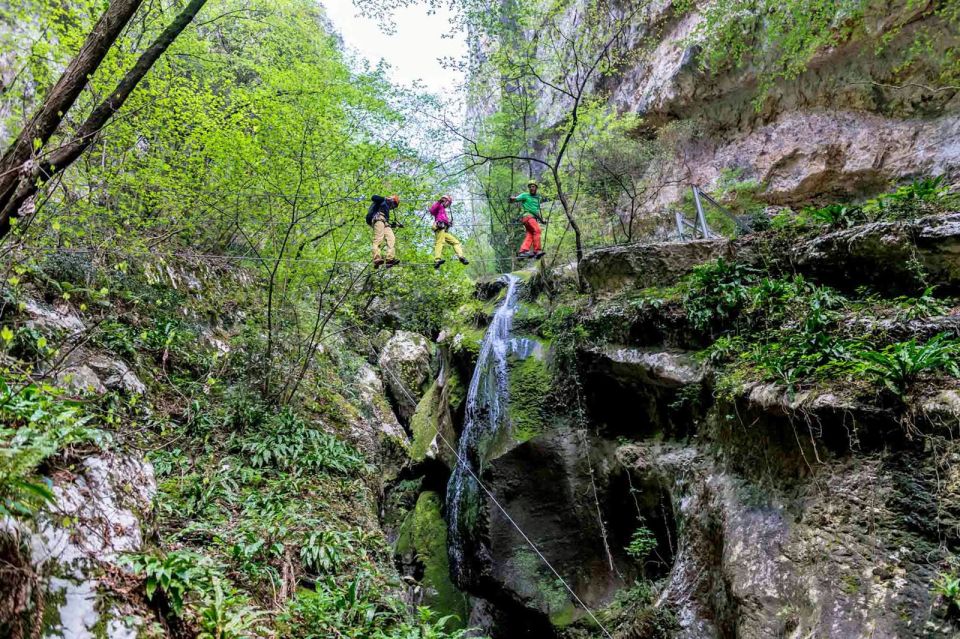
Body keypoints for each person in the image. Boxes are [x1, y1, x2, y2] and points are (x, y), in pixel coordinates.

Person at [508, 180, 548, 259]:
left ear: (536, 188)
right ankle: (537, 250)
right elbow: (515, 199)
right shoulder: (524, 195)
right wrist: (511, 199)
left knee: (530, 234)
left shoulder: (537, 198)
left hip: (532, 218)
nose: (531, 188)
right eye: (530, 187)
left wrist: (542, 220)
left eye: (533, 186)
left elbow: (536, 211)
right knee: (537, 230)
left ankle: (523, 251)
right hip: (528, 217)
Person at [429, 195, 469, 269]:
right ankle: (437, 260)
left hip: (444, 229)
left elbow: (444, 220)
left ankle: (461, 257)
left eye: (449, 204)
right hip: (439, 226)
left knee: (456, 242)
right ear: (445, 201)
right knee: (440, 242)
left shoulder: (443, 211)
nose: (448, 205)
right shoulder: (439, 206)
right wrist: (439, 201)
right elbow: (432, 211)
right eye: (448, 203)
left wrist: (448, 223)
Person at [367, 194, 402, 268]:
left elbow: (386, 222)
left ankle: (390, 259)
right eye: (394, 205)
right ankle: (376, 258)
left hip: (385, 221)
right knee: (379, 238)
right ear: (392, 200)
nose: (392, 207)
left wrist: (396, 225)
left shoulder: (387, 208)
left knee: (391, 238)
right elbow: (373, 197)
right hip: (378, 218)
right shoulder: (382, 200)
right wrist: (384, 198)